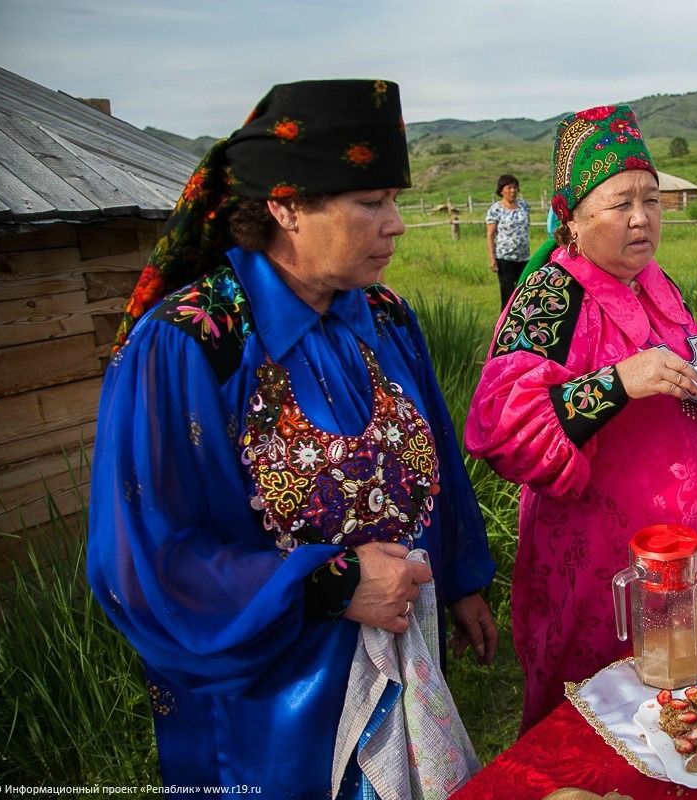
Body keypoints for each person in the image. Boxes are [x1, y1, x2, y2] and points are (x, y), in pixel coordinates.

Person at [87, 80, 497, 795]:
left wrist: (463, 581)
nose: (396, 223)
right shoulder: (189, 345)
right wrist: (333, 586)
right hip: (273, 705)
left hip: (403, 644)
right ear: (286, 206)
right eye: (371, 202)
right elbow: (147, 559)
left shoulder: (386, 317)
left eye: (394, 199)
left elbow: (437, 465)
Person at [464, 105, 697, 732]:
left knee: (689, 715)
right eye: (619, 203)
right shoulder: (551, 294)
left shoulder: (654, 282)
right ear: (570, 217)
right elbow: (502, 429)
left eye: (651, 200)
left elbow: (688, 359)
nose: (641, 218)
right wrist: (615, 385)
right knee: (606, 729)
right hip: (606, 571)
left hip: (689, 548)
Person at [486, 173, 531, 308]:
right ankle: (505, 325)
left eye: (515, 187)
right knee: (507, 294)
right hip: (505, 257)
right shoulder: (496, 209)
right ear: (501, 191)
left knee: (524, 291)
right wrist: (492, 258)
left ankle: (522, 322)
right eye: (509, 188)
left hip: (523, 257)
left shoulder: (524, 206)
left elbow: (526, 225)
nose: (513, 191)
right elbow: (490, 235)